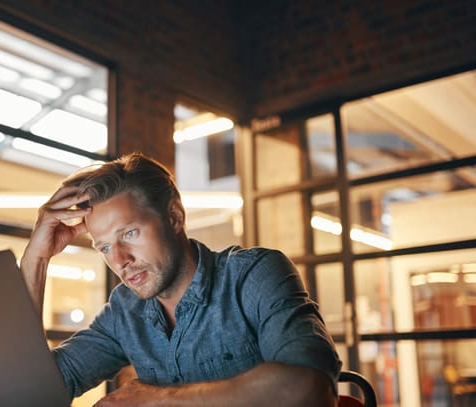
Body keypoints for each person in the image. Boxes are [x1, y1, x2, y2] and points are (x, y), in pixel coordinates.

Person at [20, 152, 341, 406]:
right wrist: (36, 259)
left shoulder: (253, 275)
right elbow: (33, 392)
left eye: (129, 233)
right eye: (104, 247)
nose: (119, 261)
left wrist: (157, 400)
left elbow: (310, 390)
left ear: (175, 217)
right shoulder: (125, 312)